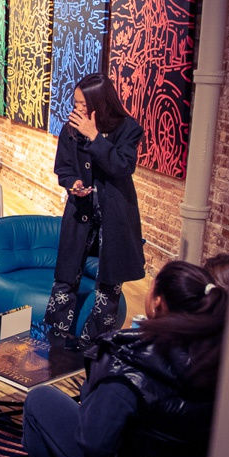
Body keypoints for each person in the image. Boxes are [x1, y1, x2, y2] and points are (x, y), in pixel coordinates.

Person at [23, 258, 229, 457]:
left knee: (39, 398)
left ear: (158, 302)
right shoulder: (221, 356)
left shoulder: (132, 359)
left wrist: (94, 386)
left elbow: (94, 442)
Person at [41, 73, 145, 346]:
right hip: (80, 213)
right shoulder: (70, 128)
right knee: (65, 277)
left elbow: (122, 167)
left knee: (109, 286)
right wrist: (71, 183)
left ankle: (93, 347)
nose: (77, 109)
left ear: (101, 102)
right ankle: (54, 340)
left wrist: (95, 137)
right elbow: (63, 167)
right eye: (75, 103)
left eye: (82, 104)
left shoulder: (128, 129)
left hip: (116, 218)